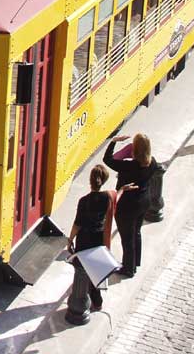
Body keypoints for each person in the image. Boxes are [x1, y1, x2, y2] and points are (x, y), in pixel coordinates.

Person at [103, 133, 159, 278]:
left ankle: (128, 268)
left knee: (127, 237)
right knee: (136, 232)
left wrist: (114, 141)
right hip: (143, 202)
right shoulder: (152, 162)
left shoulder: (129, 166)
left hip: (127, 206)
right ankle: (135, 261)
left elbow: (107, 159)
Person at [65, 164, 112, 320]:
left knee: (82, 271)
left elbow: (77, 223)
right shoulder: (107, 198)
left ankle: (81, 302)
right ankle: (97, 301)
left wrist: (70, 239)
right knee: (94, 270)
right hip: (98, 239)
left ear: (90, 180)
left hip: (84, 239)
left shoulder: (84, 201)